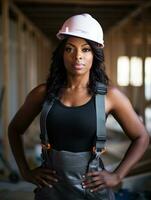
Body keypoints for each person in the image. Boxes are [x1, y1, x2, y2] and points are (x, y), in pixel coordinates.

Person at [8, 13, 149, 200]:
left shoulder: (110, 96)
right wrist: (25, 172)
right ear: (62, 54)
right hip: (51, 189)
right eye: (69, 49)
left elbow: (141, 137)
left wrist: (117, 175)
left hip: (92, 189)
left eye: (85, 50)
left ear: (95, 54)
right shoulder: (43, 93)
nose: (78, 57)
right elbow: (15, 129)